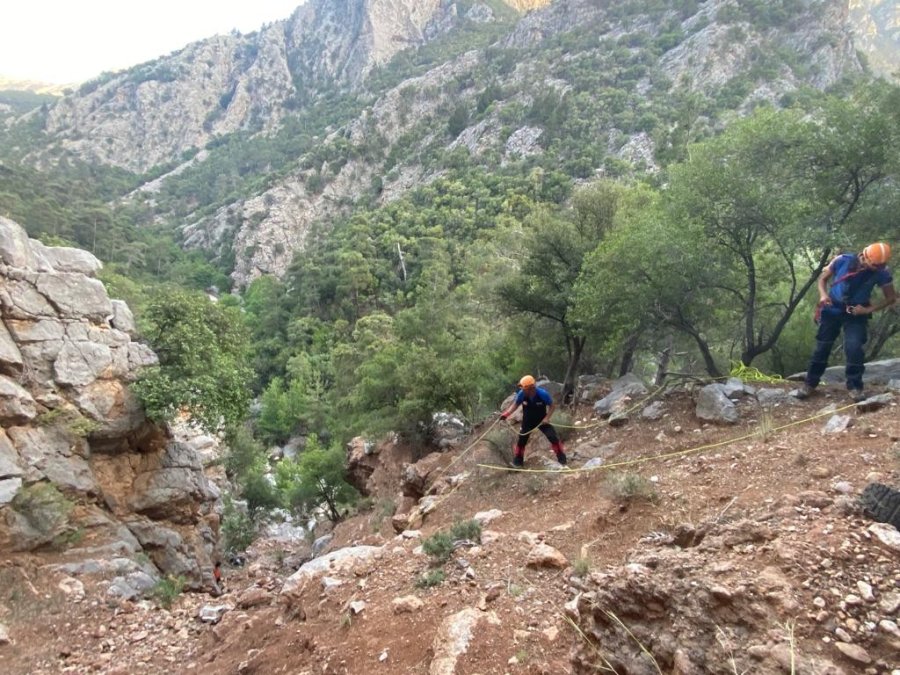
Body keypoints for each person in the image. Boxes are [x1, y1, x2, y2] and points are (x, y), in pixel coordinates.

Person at [795, 242, 896, 402]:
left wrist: (868, 310)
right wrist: (823, 295)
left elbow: (891, 297)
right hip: (832, 308)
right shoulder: (842, 260)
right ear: (865, 257)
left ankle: (855, 387)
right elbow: (822, 279)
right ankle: (810, 383)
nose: (877, 268)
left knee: (854, 348)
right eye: (875, 265)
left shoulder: (882, 272)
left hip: (857, 313)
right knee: (822, 346)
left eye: (881, 265)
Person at [500, 375, 567, 467]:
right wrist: (506, 414)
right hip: (527, 421)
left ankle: (562, 459)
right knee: (521, 440)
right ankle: (518, 462)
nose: (522, 390)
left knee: (553, 437)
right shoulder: (521, 394)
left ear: (531, 388)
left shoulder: (542, 394)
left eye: (524, 388)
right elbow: (515, 405)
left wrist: (547, 418)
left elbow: (552, 406)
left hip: (541, 420)